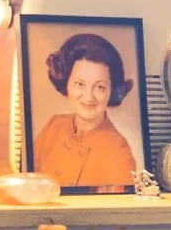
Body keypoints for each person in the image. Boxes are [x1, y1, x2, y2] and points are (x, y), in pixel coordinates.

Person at [32, 32, 139, 190]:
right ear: (66, 83)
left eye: (100, 87)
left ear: (112, 91)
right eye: (80, 84)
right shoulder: (54, 126)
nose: (89, 97)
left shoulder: (119, 151)